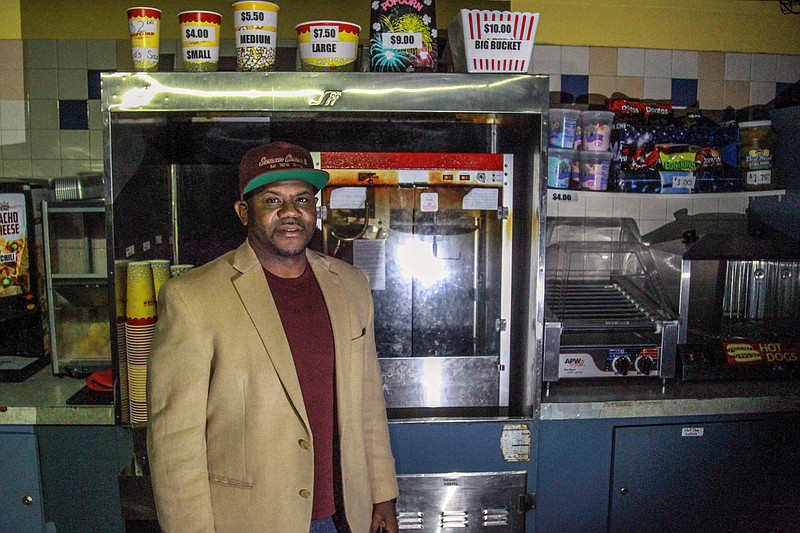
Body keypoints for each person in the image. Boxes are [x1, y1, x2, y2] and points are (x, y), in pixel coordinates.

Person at [147, 141, 399, 533]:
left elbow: (368, 399)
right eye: (272, 200)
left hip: (343, 514)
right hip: (251, 519)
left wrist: (382, 494)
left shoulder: (350, 284)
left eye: (302, 198)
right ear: (243, 211)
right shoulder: (193, 298)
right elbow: (174, 443)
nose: (290, 213)